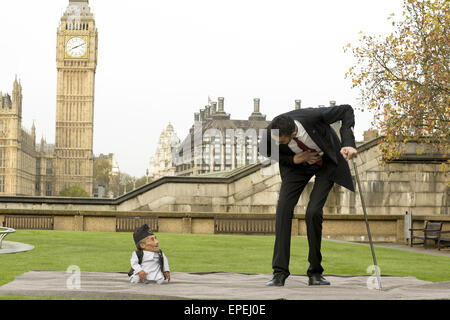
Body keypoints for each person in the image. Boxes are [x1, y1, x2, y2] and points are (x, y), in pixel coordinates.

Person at [259, 104, 358, 286]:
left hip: (326, 163)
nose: (276, 142)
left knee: (313, 212)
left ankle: (315, 273)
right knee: (283, 210)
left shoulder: (313, 116)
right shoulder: (270, 133)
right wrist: (294, 159)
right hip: (297, 168)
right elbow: (265, 150)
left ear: (293, 135)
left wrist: (348, 143)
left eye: (280, 141)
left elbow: (347, 110)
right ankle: (279, 273)